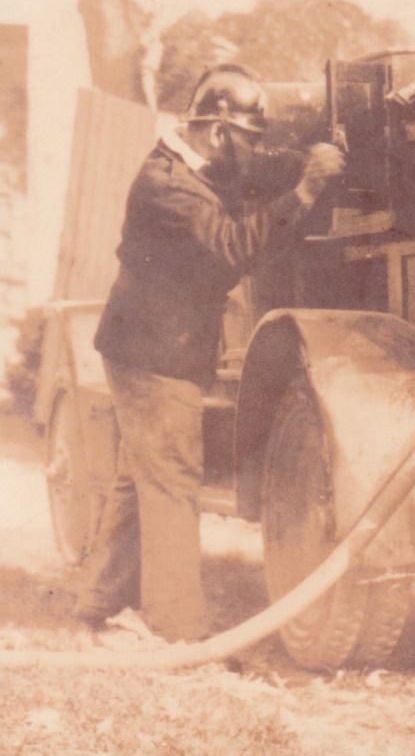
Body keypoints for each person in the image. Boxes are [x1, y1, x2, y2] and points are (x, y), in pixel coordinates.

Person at [72, 63, 346, 642]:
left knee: (140, 475)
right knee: (173, 480)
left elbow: (250, 185)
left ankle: (95, 605)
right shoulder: (166, 185)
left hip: (147, 347)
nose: (252, 154)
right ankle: (177, 630)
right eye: (247, 140)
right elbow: (229, 248)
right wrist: (307, 188)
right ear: (219, 132)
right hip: (153, 355)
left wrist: (301, 161)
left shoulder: (191, 166)